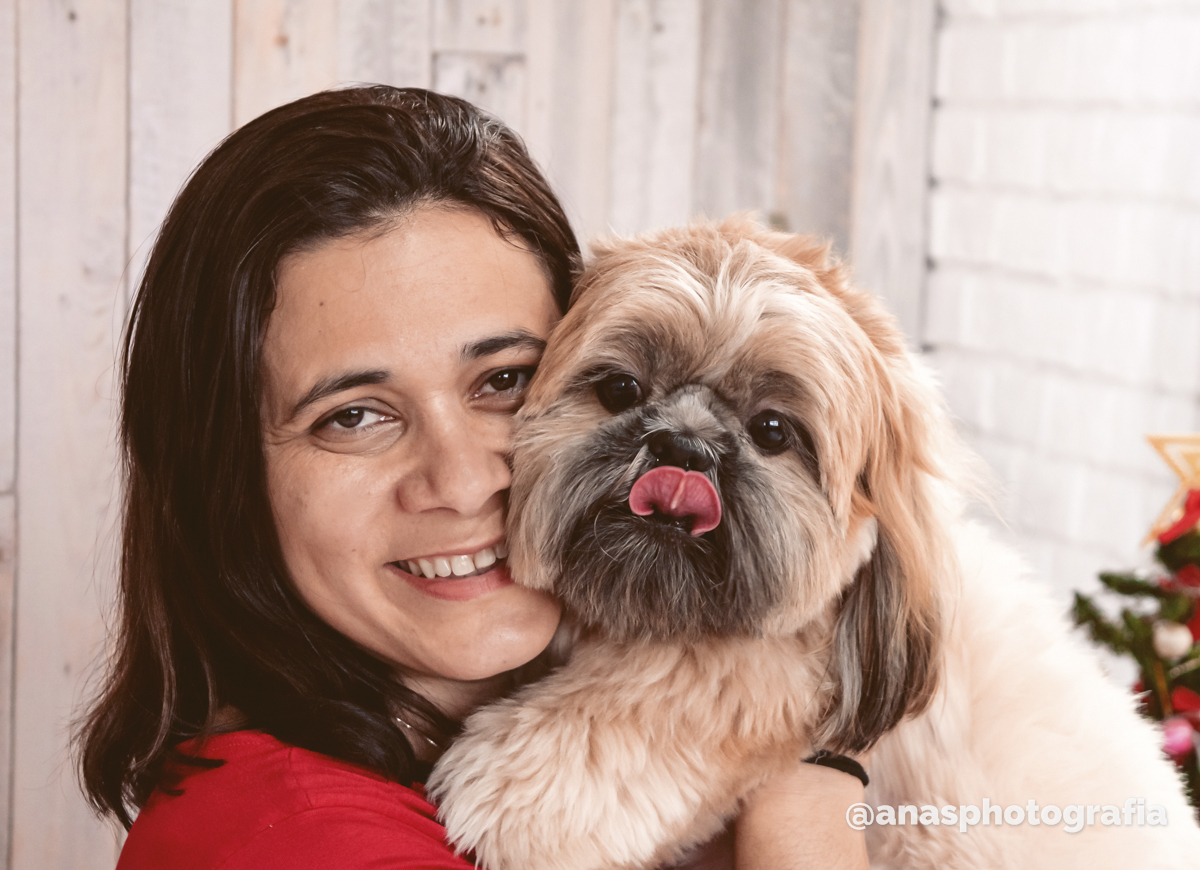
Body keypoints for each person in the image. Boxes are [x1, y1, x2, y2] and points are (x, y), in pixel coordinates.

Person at [76, 85, 869, 869]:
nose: (462, 483)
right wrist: (810, 797)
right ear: (223, 479)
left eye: (505, 380)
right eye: (354, 416)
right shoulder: (307, 841)